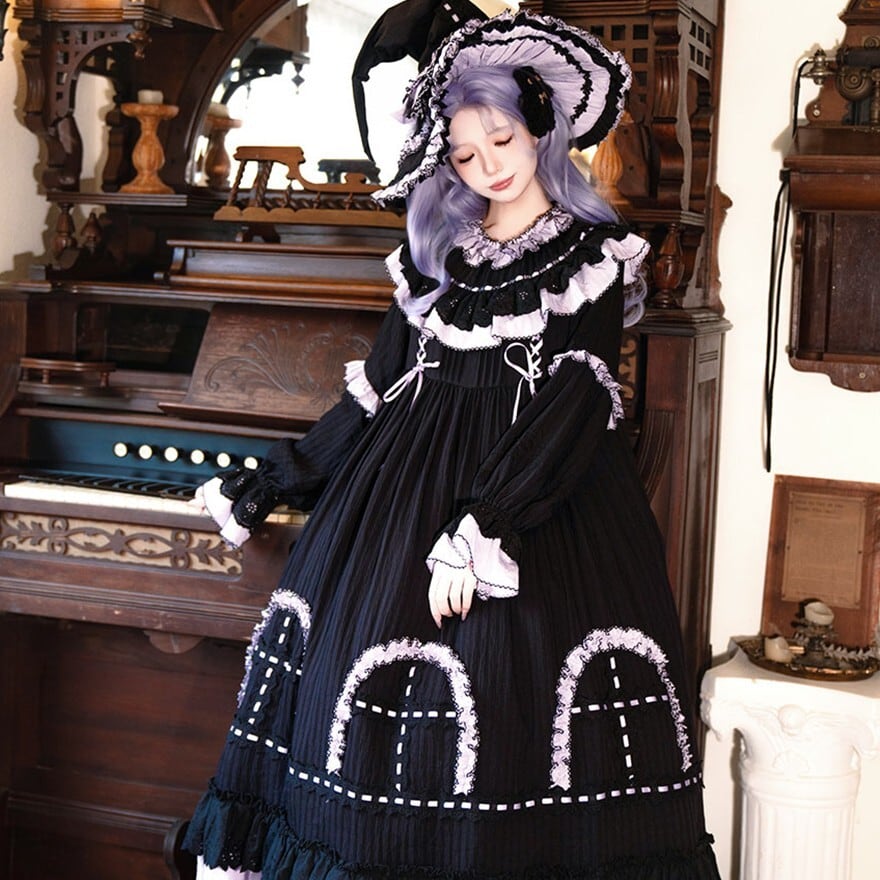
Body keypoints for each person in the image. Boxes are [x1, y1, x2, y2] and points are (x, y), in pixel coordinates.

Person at [184, 9, 721, 879]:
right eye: (466, 156)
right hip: (399, 491)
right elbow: (377, 390)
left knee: (513, 694)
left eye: (501, 140)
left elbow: (577, 398)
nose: (489, 167)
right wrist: (279, 479)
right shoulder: (435, 253)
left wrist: (485, 526)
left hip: (537, 497)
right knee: (350, 684)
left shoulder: (592, 253)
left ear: (541, 128)